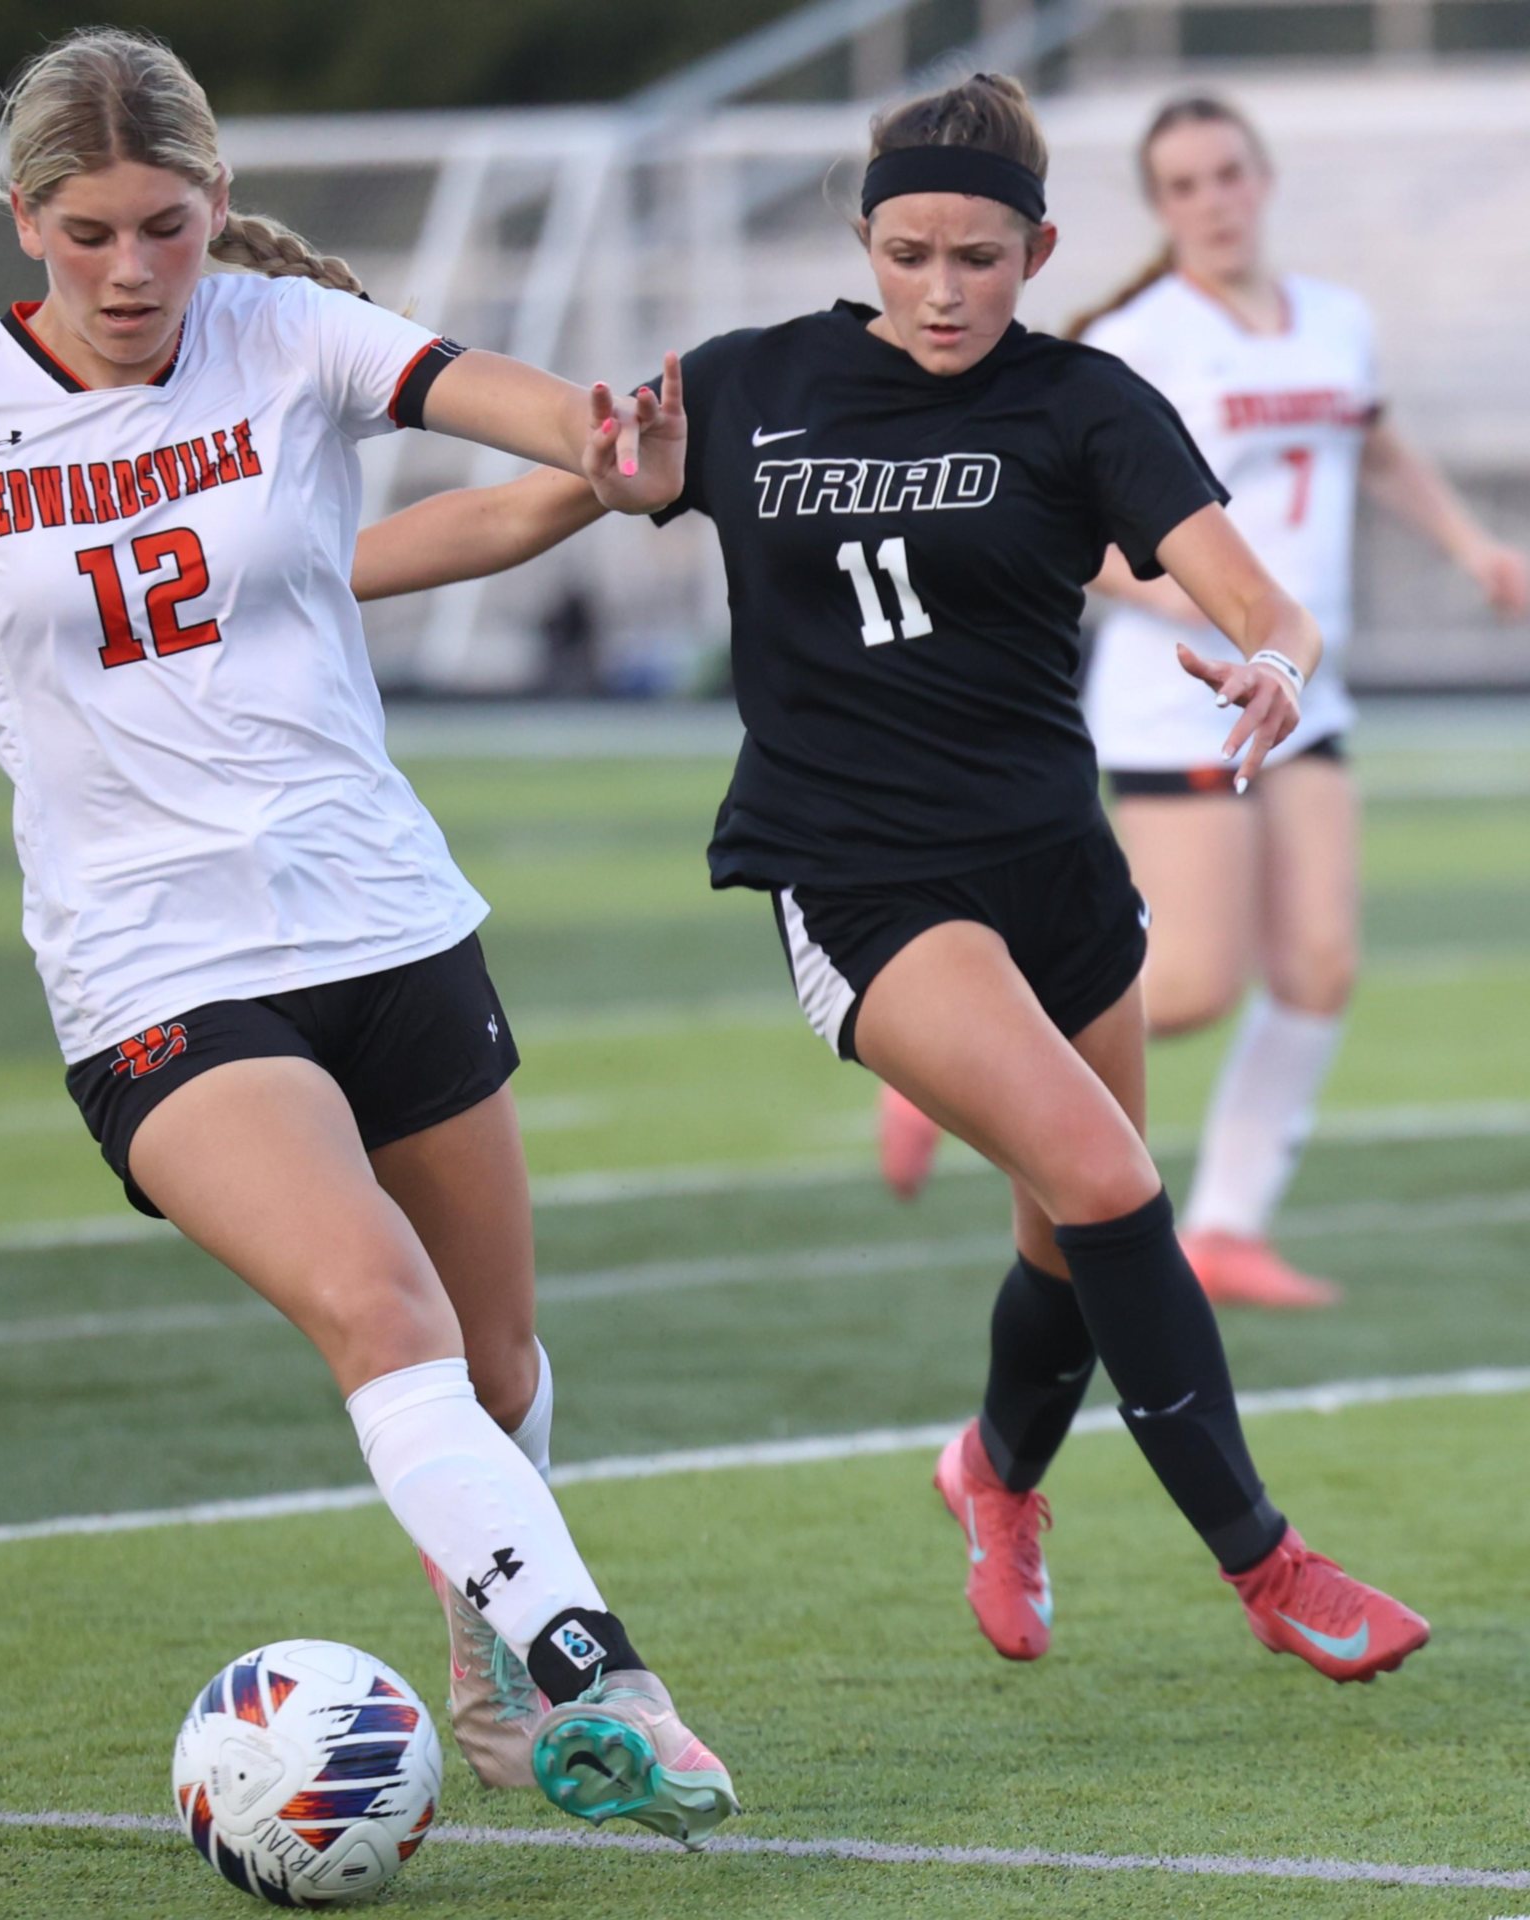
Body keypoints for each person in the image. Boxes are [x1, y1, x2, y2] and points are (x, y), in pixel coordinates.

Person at [0, 27, 736, 1850]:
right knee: (374, 1306)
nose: (129, 271)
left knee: (493, 1366)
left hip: (385, 916)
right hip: (152, 966)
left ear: (218, 206)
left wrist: (603, 439)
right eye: (85, 232)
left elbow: (514, 405)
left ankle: (487, 1672)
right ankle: (589, 1665)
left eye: (165, 226)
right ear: (23, 220)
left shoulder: (294, 336)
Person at [351, 73, 1429, 1683]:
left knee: (1070, 1240)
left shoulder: (1087, 400)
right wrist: (268, 578)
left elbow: (1260, 597)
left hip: (1060, 870)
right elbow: (521, 507)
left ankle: (993, 1476)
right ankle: (1269, 1567)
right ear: (864, 238)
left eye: (981, 259)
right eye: (910, 251)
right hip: (858, 873)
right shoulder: (745, 382)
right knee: (1121, 1185)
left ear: (1041, 247)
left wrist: (1276, 664)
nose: (942, 288)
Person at [1069, 93, 1530, 1307]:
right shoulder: (1136, 337)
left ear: (1262, 181)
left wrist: (1471, 546)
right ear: (1162, 210)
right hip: (1181, 695)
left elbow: (1374, 446)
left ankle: (1225, 1227)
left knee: (1320, 964)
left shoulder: (1337, 319)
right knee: (1191, 984)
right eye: (1184, 186)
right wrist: (1162, 593)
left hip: (1303, 683)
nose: (1213, 201)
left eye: (1229, 174)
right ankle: (965, 1047)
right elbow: (1056, 518)